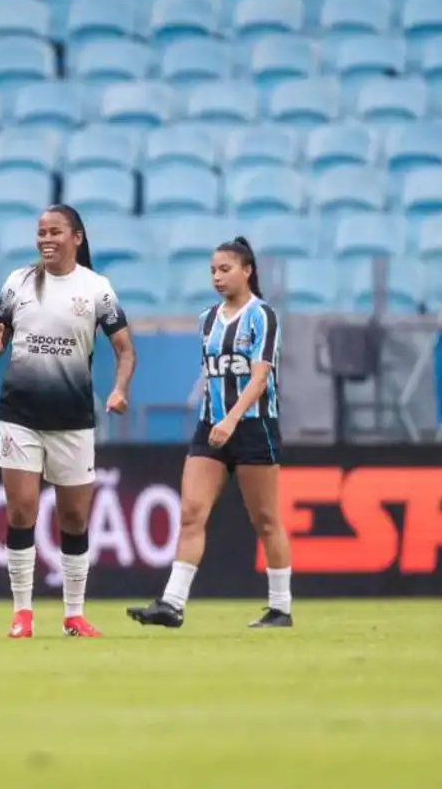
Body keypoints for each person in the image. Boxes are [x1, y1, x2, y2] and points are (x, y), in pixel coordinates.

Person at [0, 204, 135, 638]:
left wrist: (120, 389)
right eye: (40, 232)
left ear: (77, 238)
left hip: (72, 418)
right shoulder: (19, 282)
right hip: (20, 414)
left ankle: (73, 614)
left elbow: (125, 350)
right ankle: (22, 614)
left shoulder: (96, 289)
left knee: (74, 519)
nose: (46, 239)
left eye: (55, 232)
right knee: (21, 510)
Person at [127, 236, 293, 630]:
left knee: (266, 519)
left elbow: (259, 379)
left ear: (247, 270)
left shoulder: (262, 316)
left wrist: (232, 419)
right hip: (211, 426)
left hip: (253, 427)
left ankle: (280, 607)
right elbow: (213, 376)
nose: (217, 277)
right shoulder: (207, 320)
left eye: (225, 269)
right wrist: (216, 418)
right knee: (191, 513)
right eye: (213, 271)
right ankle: (172, 603)